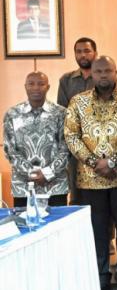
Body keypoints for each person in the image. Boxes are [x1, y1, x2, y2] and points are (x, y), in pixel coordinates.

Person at [64, 56, 117, 290]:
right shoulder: (78, 102)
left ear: (116, 71)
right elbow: (71, 135)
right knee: (97, 231)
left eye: (108, 70)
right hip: (90, 178)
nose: (103, 75)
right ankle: (100, 275)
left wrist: (113, 161)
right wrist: (93, 162)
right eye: (98, 71)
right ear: (92, 74)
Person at [3, 72, 69, 207]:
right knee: (25, 226)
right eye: (31, 84)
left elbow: (66, 148)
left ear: (48, 87)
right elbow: (10, 150)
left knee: (58, 227)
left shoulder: (61, 113)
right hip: (23, 187)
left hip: (55, 186)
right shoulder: (12, 114)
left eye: (41, 84)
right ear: (25, 87)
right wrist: (31, 173)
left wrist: (47, 173)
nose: (36, 88)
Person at [57, 37, 98, 205]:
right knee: (77, 196)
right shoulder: (66, 80)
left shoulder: (104, 75)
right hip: (75, 149)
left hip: (101, 145)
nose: (83, 55)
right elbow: (63, 113)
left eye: (87, 51)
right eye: (79, 51)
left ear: (95, 53)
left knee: (102, 198)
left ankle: (105, 233)